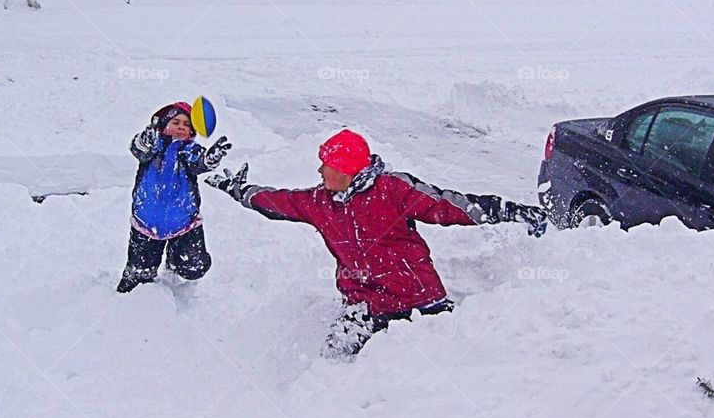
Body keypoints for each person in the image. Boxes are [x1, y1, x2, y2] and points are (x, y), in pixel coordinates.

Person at [206, 129, 546, 358]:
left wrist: (507, 210)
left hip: (420, 298)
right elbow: (277, 202)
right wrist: (239, 191)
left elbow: (447, 205)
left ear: (348, 168)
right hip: (363, 305)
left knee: (449, 362)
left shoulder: (392, 189)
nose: (320, 169)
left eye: (328, 163)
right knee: (334, 367)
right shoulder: (320, 202)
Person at [117, 102, 231, 293]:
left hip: (184, 224)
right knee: (137, 278)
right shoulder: (152, 148)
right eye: (175, 122)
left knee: (194, 268)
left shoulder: (190, 152)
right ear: (163, 125)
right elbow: (139, 149)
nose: (180, 127)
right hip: (146, 224)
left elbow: (200, 163)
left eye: (186, 125)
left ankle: (175, 260)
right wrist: (146, 139)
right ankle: (125, 305)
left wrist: (210, 160)